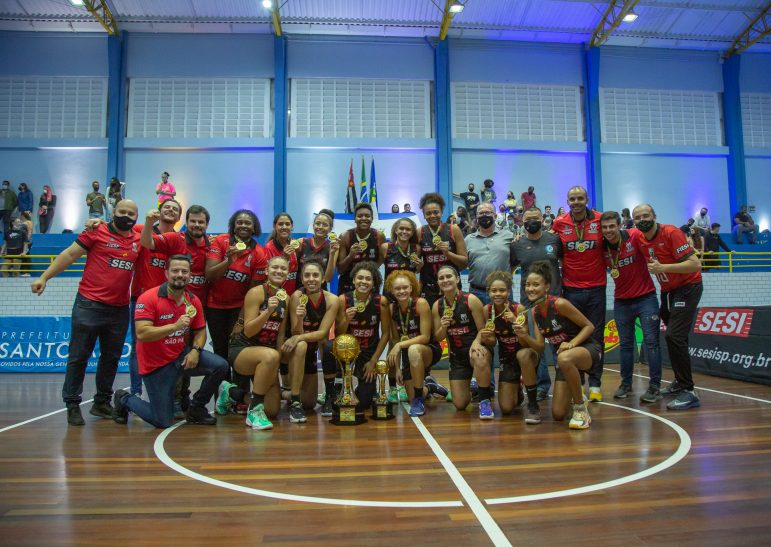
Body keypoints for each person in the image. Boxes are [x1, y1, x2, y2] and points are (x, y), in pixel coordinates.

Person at [31, 199, 140, 426]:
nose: (126, 216)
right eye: (122, 211)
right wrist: (44, 277)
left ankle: (101, 402)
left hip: (119, 309)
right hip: (89, 305)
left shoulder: (138, 238)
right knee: (79, 357)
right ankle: (72, 404)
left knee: (110, 359)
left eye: (131, 213)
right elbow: (70, 255)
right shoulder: (96, 231)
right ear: (113, 213)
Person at [111, 255, 228, 428]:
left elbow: (201, 331)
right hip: (156, 366)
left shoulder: (193, 300)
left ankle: (196, 408)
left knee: (221, 366)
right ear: (166, 273)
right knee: (162, 421)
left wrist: (195, 350)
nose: (180, 274)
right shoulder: (149, 298)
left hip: (180, 357)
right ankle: (124, 398)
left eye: (184, 271)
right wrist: (174, 326)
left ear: (190, 275)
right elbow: (142, 333)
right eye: (175, 271)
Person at [140, 204, 213, 415]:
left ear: (206, 224)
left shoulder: (212, 245)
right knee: (174, 354)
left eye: (201, 222)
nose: (197, 225)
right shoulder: (176, 239)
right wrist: (147, 222)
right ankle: (170, 398)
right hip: (174, 307)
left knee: (192, 353)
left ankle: (184, 399)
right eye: (193, 221)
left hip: (200, 308)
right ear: (186, 222)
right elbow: (147, 242)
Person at [633, 203, 703, 411]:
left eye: (646, 215)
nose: (642, 219)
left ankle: (689, 390)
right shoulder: (641, 239)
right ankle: (680, 382)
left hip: (687, 287)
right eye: (638, 217)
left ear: (655, 216)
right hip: (668, 291)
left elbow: (694, 264)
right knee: (675, 337)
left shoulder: (671, 233)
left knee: (674, 336)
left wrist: (663, 267)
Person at [515, 261, 599, 429]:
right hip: (565, 360)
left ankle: (581, 408)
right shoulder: (534, 312)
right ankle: (573, 388)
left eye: (536, 285)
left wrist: (571, 343)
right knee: (559, 414)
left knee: (564, 357)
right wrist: (523, 335)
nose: (530, 289)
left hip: (587, 351)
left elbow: (589, 326)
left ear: (546, 287)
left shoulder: (559, 304)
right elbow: (539, 347)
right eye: (527, 285)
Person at [205, 209, 267, 414]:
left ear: (254, 227)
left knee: (239, 354)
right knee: (221, 354)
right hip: (215, 308)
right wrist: (228, 261)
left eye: (248, 223)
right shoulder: (221, 242)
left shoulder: (258, 253)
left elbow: (254, 290)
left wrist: (242, 319)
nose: (243, 226)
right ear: (233, 225)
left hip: (239, 310)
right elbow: (210, 275)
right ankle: (221, 399)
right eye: (239, 222)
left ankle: (239, 399)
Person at [600, 211, 662, 403]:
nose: (609, 230)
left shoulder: (634, 235)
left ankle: (654, 386)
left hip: (646, 298)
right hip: (621, 301)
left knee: (651, 342)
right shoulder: (602, 247)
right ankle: (626, 384)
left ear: (620, 225)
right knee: (626, 345)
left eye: (612, 226)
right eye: (605, 227)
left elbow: (654, 241)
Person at [552, 186, 606, 402]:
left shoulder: (600, 220)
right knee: (575, 337)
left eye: (580, 198)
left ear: (587, 199)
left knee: (597, 337)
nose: (576, 202)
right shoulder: (559, 223)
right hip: (571, 289)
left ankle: (596, 384)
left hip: (597, 287)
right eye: (572, 199)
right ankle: (580, 385)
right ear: (567, 201)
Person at [225, 255, 290, 430]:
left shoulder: (286, 298)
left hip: (268, 356)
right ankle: (253, 412)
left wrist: (275, 364)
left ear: (288, 273)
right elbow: (249, 330)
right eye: (275, 267)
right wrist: (267, 312)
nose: (279, 271)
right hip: (243, 349)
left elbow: (280, 334)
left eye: (283, 269)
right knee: (270, 355)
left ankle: (232, 393)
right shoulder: (256, 293)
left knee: (273, 410)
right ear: (267, 271)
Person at [270, 260, 339, 422]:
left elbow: (322, 334)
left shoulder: (332, 300)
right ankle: (294, 402)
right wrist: (300, 319)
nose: (311, 279)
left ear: (323, 279)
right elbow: (295, 332)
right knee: (300, 345)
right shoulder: (297, 297)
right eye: (307, 275)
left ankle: (282, 393)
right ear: (301, 279)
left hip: (310, 348)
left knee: (309, 402)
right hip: (291, 350)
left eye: (315, 275)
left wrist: (299, 336)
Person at [321, 261, 391, 415]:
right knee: (327, 347)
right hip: (346, 349)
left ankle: (357, 390)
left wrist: (374, 361)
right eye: (360, 278)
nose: (363, 282)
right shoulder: (343, 300)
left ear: (373, 283)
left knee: (364, 402)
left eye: (368, 279)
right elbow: (339, 334)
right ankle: (331, 392)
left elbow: (386, 333)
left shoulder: (381, 301)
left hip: (367, 352)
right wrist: (346, 319)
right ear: (353, 280)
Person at [510, 206, 563, 400]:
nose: (531, 221)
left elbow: (565, 263)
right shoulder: (517, 245)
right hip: (529, 303)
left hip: (554, 301)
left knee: (558, 343)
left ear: (543, 219)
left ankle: (563, 382)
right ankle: (541, 385)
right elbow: (511, 267)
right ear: (522, 222)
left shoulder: (554, 240)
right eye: (527, 219)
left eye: (535, 218)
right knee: (534, 345)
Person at [480, 271, 541, 424]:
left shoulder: (518, 309)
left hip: (526, 353)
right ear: (488, 292)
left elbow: (527, 342)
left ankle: (533, 405)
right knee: (506, 409)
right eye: (494, 291)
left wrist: (515, 322)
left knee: (523, 355)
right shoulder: (487, 310)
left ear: (508, 291)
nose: (498, 294)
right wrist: (488, 338)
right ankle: (518, 390)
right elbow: (493, 342)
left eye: (502, 290)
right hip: (507, 358)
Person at [432, 265, 492, 419]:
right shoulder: (437, 305)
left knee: (479, 357)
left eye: (449, 276)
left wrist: (477, 343)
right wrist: (443, 327)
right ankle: (472, 386)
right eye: (441, 278)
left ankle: (485, 401)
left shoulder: (470, 300)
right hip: (457, 356)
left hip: (475, 350)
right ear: (438, 282)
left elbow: (483, 330)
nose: (445, 280)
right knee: (460, 404)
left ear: (457, 279)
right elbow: (438, 337)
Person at [385, 270, 447, 417]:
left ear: (411, 287)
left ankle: (419, 400)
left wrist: (399, 345)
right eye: (397, 288)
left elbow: (425, 337)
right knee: (410, 396)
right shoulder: (392, 309)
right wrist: (398, 369)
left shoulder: (421, 303)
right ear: (392, 290)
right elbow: (395, 340)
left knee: (413, 349)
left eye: (405, 287)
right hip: (408, 353)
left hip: (428, 350)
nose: (401, 291)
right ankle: (429, 387)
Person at [418, 192, 468, 307]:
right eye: (428, 213)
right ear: (424, 215)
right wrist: (417, 265)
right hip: (429, 289)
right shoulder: (420, 232)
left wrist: (448, 254)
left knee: (453, 323)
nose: (432, 216)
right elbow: (416, 267)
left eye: (436, 212)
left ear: (441, 212)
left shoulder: (453, 230)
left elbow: (464, 263)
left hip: (451, 286)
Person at [465, 202, 514, 306]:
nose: (484, 215)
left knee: (504, 321)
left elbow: (514, 261)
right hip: (476, 293)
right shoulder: (468, 240)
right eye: (480, 213)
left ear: (495, 216)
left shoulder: (508, 236)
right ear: (477, 217)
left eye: (487, 212)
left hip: (502, 291)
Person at [336, 202, 384, 295]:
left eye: (367, 216)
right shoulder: (345, 236)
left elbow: (380, 260)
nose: (363, 219)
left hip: (369, 281)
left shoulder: (379, 236)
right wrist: (350, 255)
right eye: (360, 216)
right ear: (355, 219)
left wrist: (369, 271)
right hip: (348, 281)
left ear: (372, 219)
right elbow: (340, 269)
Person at [296, 209, 338, 291]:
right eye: (317, 223)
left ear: (330, 229)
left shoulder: (333, 247)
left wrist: (332, 254)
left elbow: (328, 278)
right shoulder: (301, 242)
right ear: (313, 225)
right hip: (300, 291)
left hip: (320, 292)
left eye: (325, 225)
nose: (320, 227)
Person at [264, 213, 300, 295]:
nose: (284, 227)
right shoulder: (268, 248)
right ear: (274, 226)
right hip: (275, 295)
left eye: (287, 224)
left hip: (293, 294)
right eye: (280, 224)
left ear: (292, 226)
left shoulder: (295, 245)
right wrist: (285, 259)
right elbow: (267, 277)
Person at [18, 211, 33, 276]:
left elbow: (29, 231)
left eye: (20, 216)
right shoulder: (23, 223)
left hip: (26, 242)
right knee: (23, 255)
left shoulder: (28, 222)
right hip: (22, 242)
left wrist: (27, 240)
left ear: (23, 216)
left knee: (26, 256)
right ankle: (22, 271)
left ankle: (27, 272)